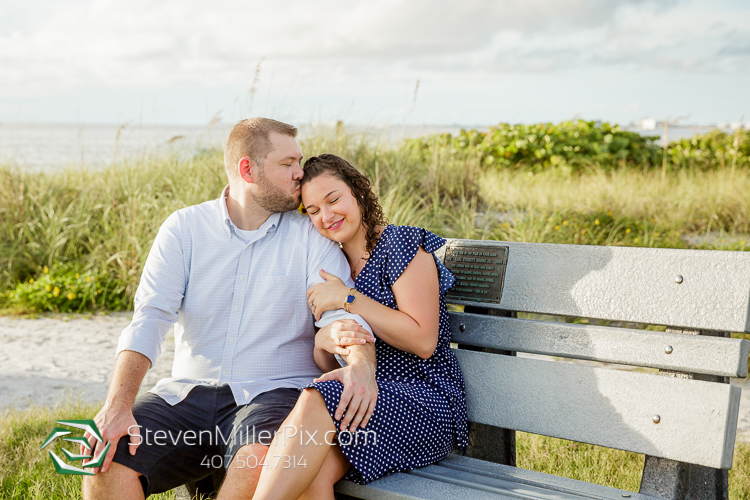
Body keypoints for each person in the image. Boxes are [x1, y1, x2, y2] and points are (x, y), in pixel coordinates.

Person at [81, 119, 378, 500]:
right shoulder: (184, 229)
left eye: (299, 161)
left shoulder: (311, 235)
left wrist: (361, 365)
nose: (299, 173)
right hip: (185, 396)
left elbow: (340, 318)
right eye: (287, 163)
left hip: (275, 393)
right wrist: (117, 406)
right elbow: (150, 319)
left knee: (260, 459)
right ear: (247, 169)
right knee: (105, 457)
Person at [251, 154, 469, 500]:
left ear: (358, 192)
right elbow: (327, 361)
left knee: (314, 398)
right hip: (366, 400)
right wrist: (324, 342)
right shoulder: (328, 264)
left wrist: (348, 298)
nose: (327, 216)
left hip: (427, 402)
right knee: (314, 474)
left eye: (333, 199)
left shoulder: (401, 246)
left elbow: (423, 339)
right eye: (313, 210)